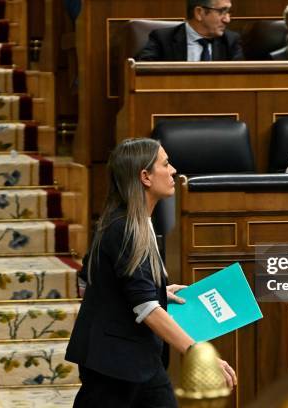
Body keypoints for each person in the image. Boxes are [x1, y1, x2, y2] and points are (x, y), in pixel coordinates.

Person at [66, 139, 237, 407]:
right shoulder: (124, 228)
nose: (173, 171)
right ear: (145, 176)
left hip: (138, 359)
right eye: (166, 164)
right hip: (114, 365)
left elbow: (110, 284)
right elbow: (146, 308)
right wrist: (197, 353)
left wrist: (157, 291)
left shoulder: (132, 221)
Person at [136, 0, 243, 61]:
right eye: (222, 11)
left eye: (229, 12)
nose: (227, 20)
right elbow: (143, 73)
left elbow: (239, 80)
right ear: (199, 13)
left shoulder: (231, 41)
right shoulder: (162, 39)